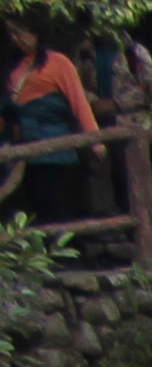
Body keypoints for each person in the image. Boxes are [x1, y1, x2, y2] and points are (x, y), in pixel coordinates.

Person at [2, 24, 99, 235]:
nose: (16, 38)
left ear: (36, 33)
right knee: (30, 204)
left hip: (53, 145)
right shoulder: (13, 65)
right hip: (22, 143)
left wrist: (95, 140)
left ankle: (65, 252)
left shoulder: (59, 63)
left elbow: (79, 102)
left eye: (20, 31)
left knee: (54, 202)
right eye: (12, 34)